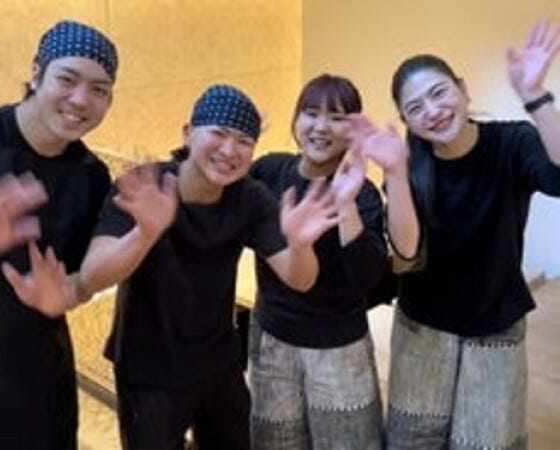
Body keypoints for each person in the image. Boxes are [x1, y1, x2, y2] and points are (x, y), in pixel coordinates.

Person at [77, 84, 340, 450]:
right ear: (188, 133)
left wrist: (300, 244)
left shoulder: (250, 197)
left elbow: (300, 279)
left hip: (218, 361)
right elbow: (92, 276)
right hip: (149, 368)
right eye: (218, 133)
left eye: (244, 141)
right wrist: (144, 233)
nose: (229, 150)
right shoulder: (146, 187)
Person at [350, 20, 560, 450]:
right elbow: (406, 252)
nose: (432, 111)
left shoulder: (512, 141)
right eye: (415, 108)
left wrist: (535, 97)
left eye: (439, 93)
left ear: (463, 90)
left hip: (496, 320)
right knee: (413, 439)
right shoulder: (408, 162)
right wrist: (395, 174)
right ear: (407, 121)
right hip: (423, 323)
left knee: (486, 440)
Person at [0, 20, 117, 449]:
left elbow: (76, 280)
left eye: (99, 89)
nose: (81, 100)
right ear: (36, 73)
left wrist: (74, 291)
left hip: (41, 372)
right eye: (67, 79)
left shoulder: (91, 176)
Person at [247, 74, 389, 450]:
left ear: (352, 130)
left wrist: (345, 204)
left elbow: (369, 277)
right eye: (311, 113)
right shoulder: (269, 171)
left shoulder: (363, 194)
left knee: (349, 442)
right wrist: (239, 138)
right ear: (296, 119)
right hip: (273, 339)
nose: (321, 127)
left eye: (337, 117)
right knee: (276, 442)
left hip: (339, 347)